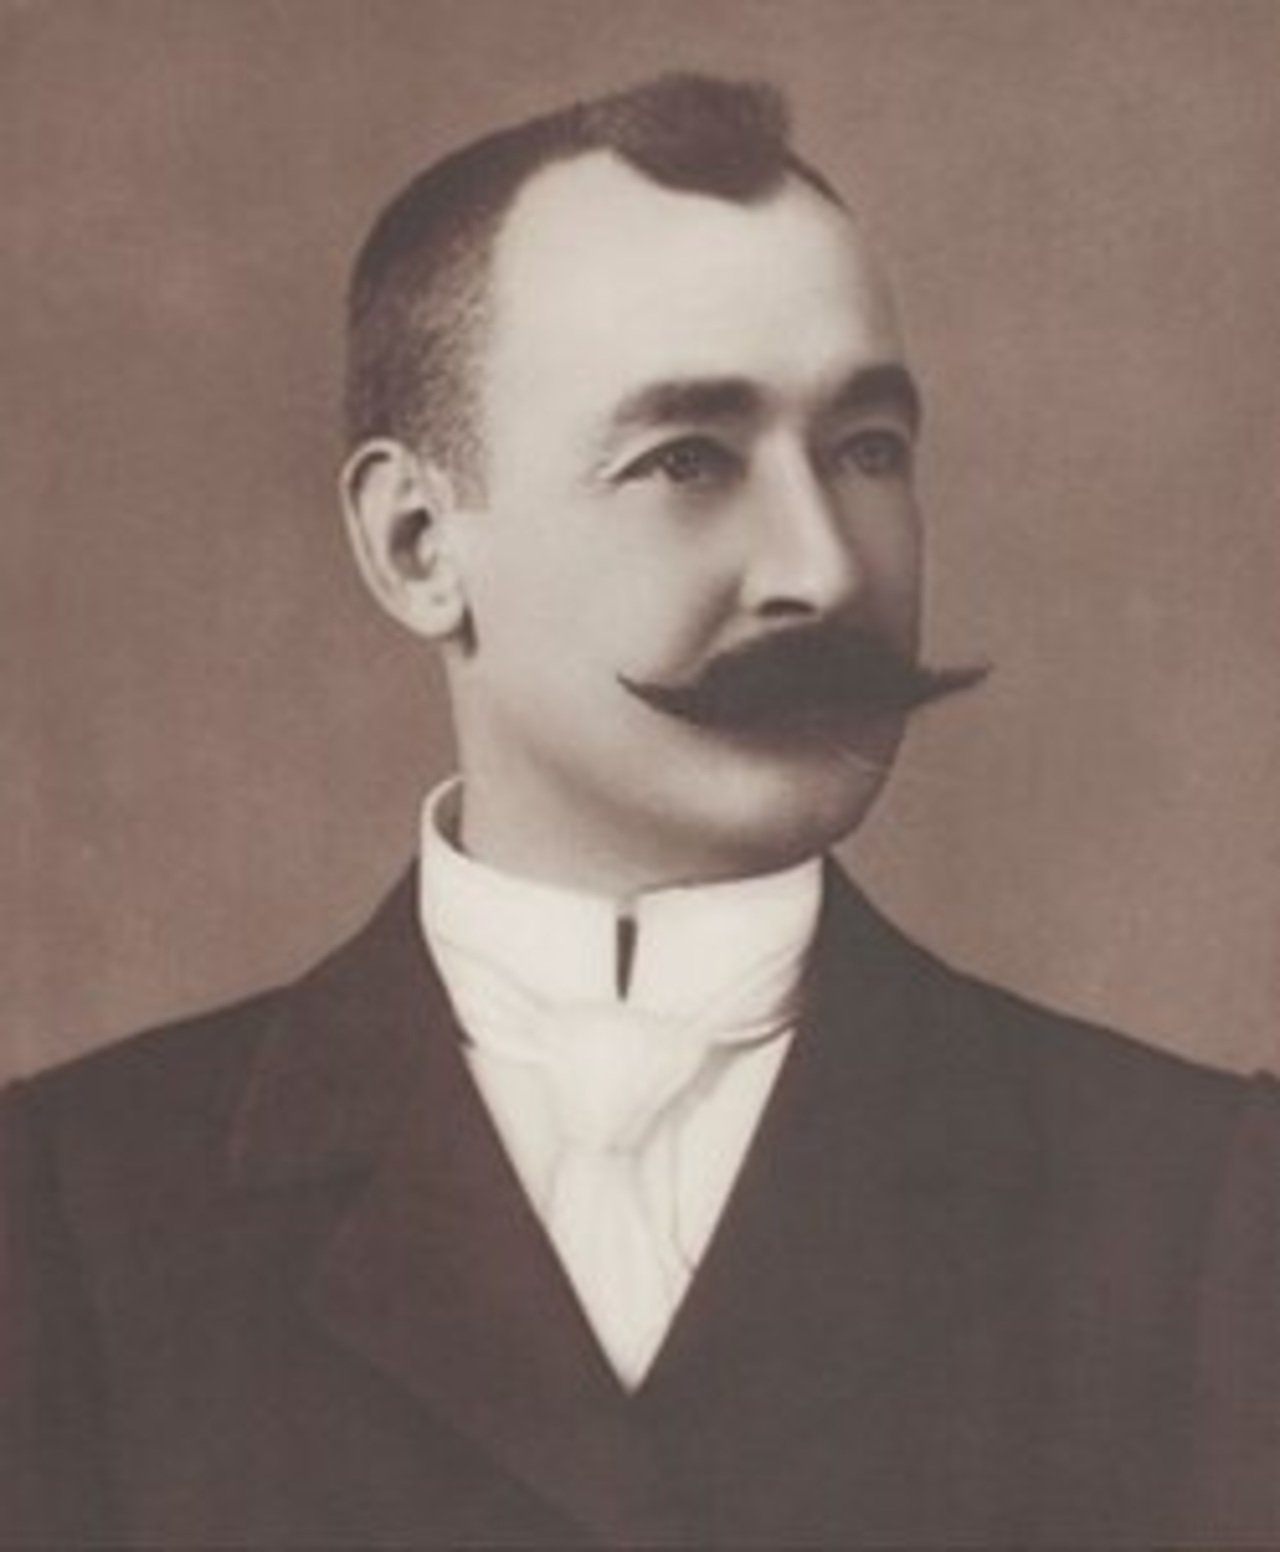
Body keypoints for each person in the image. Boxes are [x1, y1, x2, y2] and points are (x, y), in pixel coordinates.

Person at [2, 74, 1276, 1549]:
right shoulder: (64, 1212)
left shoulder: (1204, 1205)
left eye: (867, 448)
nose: (821, 570)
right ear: (416, 545)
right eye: (688, 460)